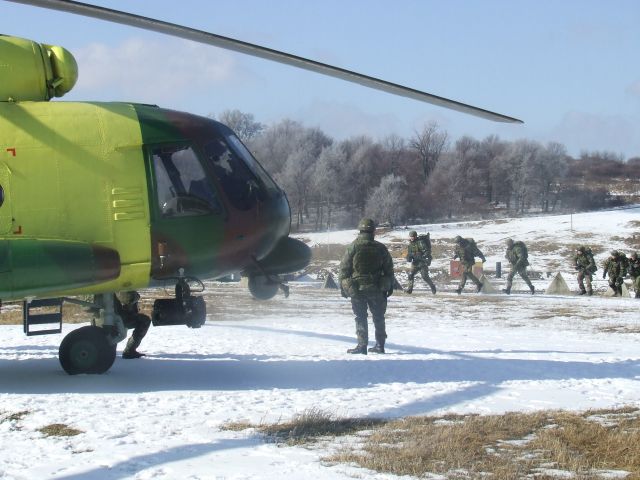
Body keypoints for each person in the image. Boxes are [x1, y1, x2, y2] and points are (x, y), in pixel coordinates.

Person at [339, 218, 394, 354]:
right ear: (373, 231)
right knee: (379, 317)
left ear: (360, 230)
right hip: (377, 289)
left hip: (357, 289)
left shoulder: (353, 247)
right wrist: (389, 286)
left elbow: (344, 270)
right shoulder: (380, 248)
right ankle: (380, 345)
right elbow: (389, 269)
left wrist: (344, 288)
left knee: (360, 317)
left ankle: (362, 346)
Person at [115, 291, 151, 359]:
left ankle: (129, 351)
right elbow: (129, 298)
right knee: (145, 320)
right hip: (119, 317)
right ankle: (129, 351)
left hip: (115, 316)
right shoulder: (119, 287)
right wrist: (136, 295)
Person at [405, 230, 436, 294]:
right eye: (410, 236)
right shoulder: (410, 244)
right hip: (415, 263)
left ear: (415, 236)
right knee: (410, 275)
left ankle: (432, 287)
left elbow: (427, 251)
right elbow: (409, 253)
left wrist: (422, 256)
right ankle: (409, 290)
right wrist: (408, 257)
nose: (411, 238)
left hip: (422, 262)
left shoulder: (420, 242)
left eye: (412, 236)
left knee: (425, 277)